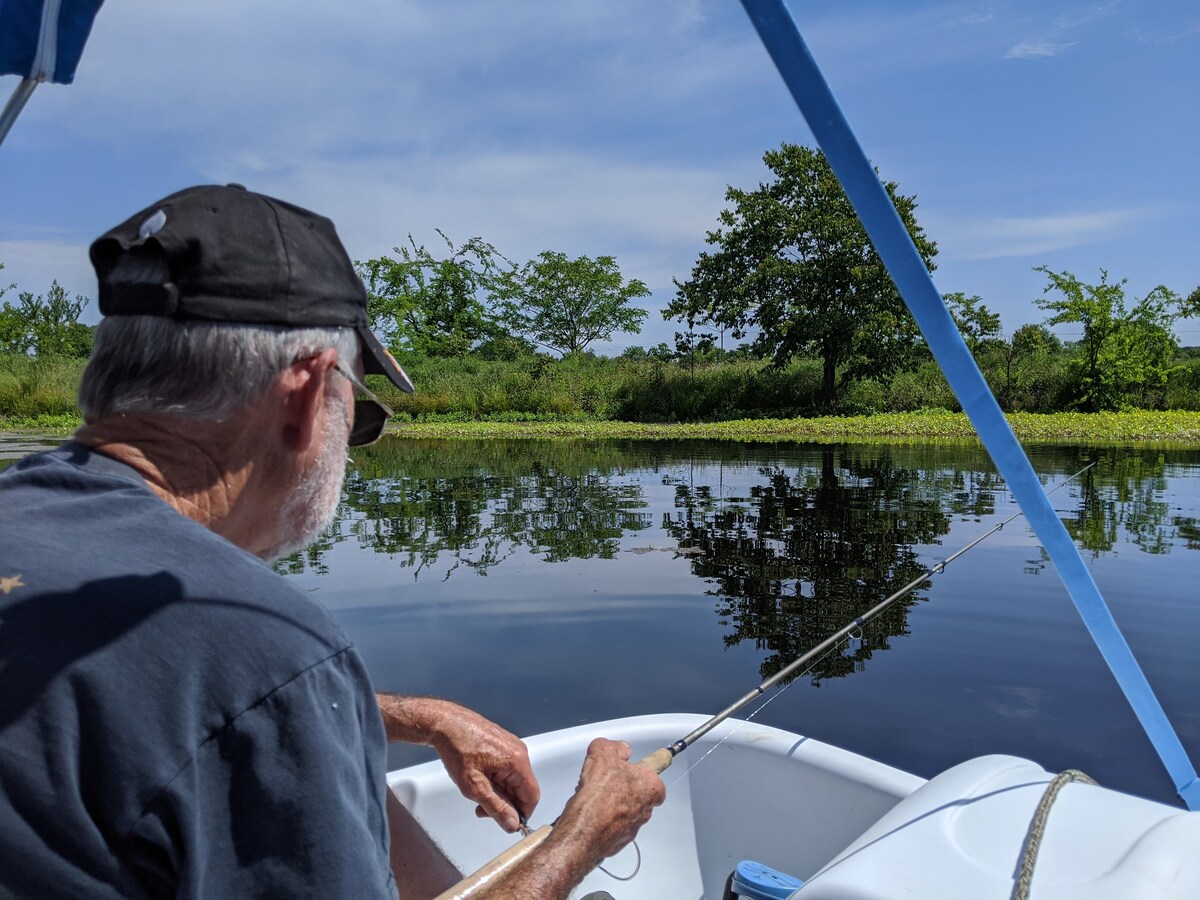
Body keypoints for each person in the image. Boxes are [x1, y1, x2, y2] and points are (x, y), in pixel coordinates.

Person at [0, 184, 665, 898]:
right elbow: (230, 690)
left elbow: (140, 691)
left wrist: (411, 717)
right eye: (361, 412)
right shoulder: (261, 651)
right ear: (308, 396)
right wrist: (584, 835)